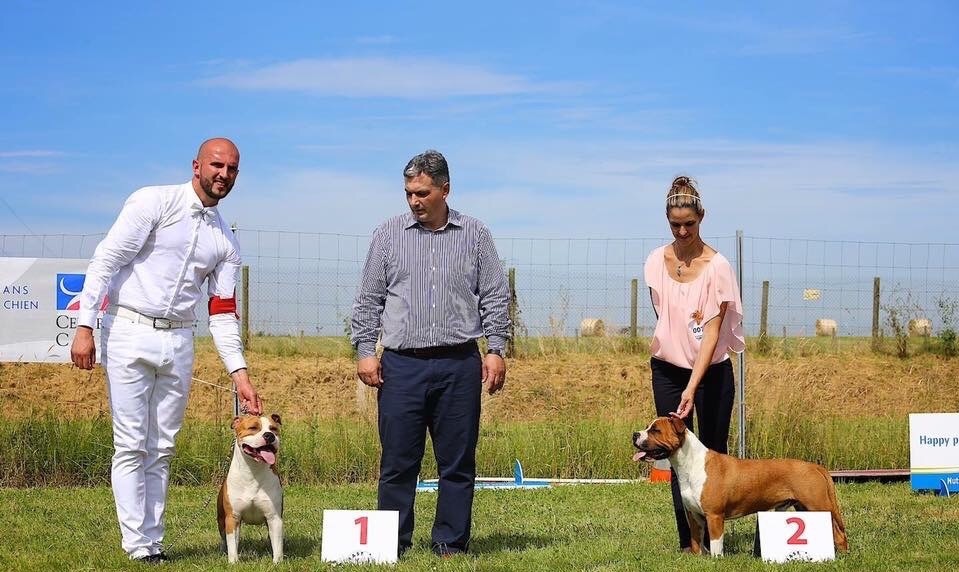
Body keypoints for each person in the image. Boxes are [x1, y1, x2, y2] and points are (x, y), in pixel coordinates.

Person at [70, 137, 263, 563]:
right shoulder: (151, 202)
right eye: (216, 165)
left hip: (179, 340)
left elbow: (222, 314)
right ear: (197, 166)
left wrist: (240, 374)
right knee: (130, 444)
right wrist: (85, 325)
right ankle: (137, 545)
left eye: (232, 169)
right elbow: (105, 261)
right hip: (129, 328)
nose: (224, 175)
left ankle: (154, 542)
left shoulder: (226, 243)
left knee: (161, 448)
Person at [351, 149, 511, 557]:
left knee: (457, 462)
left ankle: (450, 542)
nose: (414, 201)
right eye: (409, 193)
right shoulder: (387, 235)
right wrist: (366, 350)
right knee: (398, 462)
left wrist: (496, 348)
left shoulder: (475, 234)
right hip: (401, 366)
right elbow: (368, 299)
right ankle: (390, 544)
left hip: (460, 363)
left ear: (445, 189)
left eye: (422, 193)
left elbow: (495, 294)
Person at [643, 175, 745, 552]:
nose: (683, 231)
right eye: (675, 225)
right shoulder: (655, 261)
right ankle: (690, 543)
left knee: (713, 456)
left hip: (712, 373)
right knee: (674, 451)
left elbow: (711, 333)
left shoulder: (719, 267)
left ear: (702, 217)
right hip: (667, 371)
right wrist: (679, 375)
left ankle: (717, 537)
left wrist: (692, 386)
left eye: (689, 223)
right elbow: (666, 318)